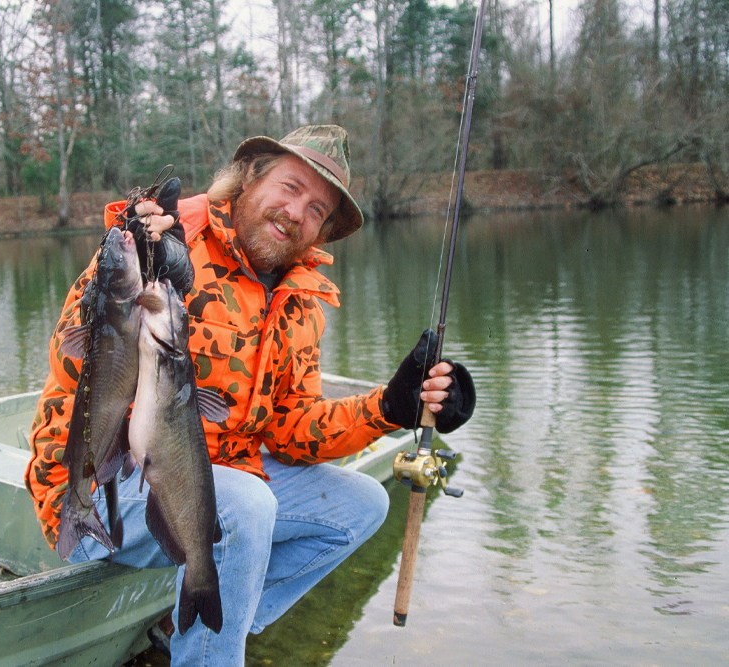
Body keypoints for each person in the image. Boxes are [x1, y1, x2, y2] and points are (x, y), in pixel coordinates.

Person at [25, 125, 476, 666]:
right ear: (250, 177)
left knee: (363, 506)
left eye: (316, 209)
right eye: (290, 187)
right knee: (245, 505)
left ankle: (196, 620)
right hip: (99, 489)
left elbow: (290, 428)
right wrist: (137, 253)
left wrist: (388, 409)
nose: (296, 213)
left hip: (216, 485)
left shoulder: (299, 300)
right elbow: (80, 354)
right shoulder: (171, 241)